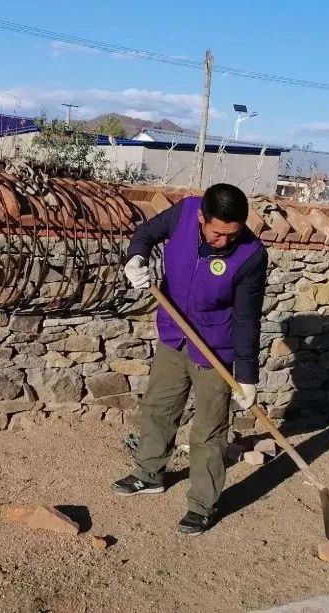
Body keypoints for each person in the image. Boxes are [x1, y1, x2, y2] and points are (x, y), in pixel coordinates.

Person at [111, 183, 267, 536]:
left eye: (233, 234)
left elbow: (246, 318)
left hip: (215, 349)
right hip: (173, 333)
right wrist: (136, 256)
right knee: (159, 407)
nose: (225, 241)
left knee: (209, 431)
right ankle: (149, 474)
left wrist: (247, 376)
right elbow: (146, 232)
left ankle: (202, 505)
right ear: (202, 217)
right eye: (217, 233)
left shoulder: (251, 255)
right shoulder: (183, 213)